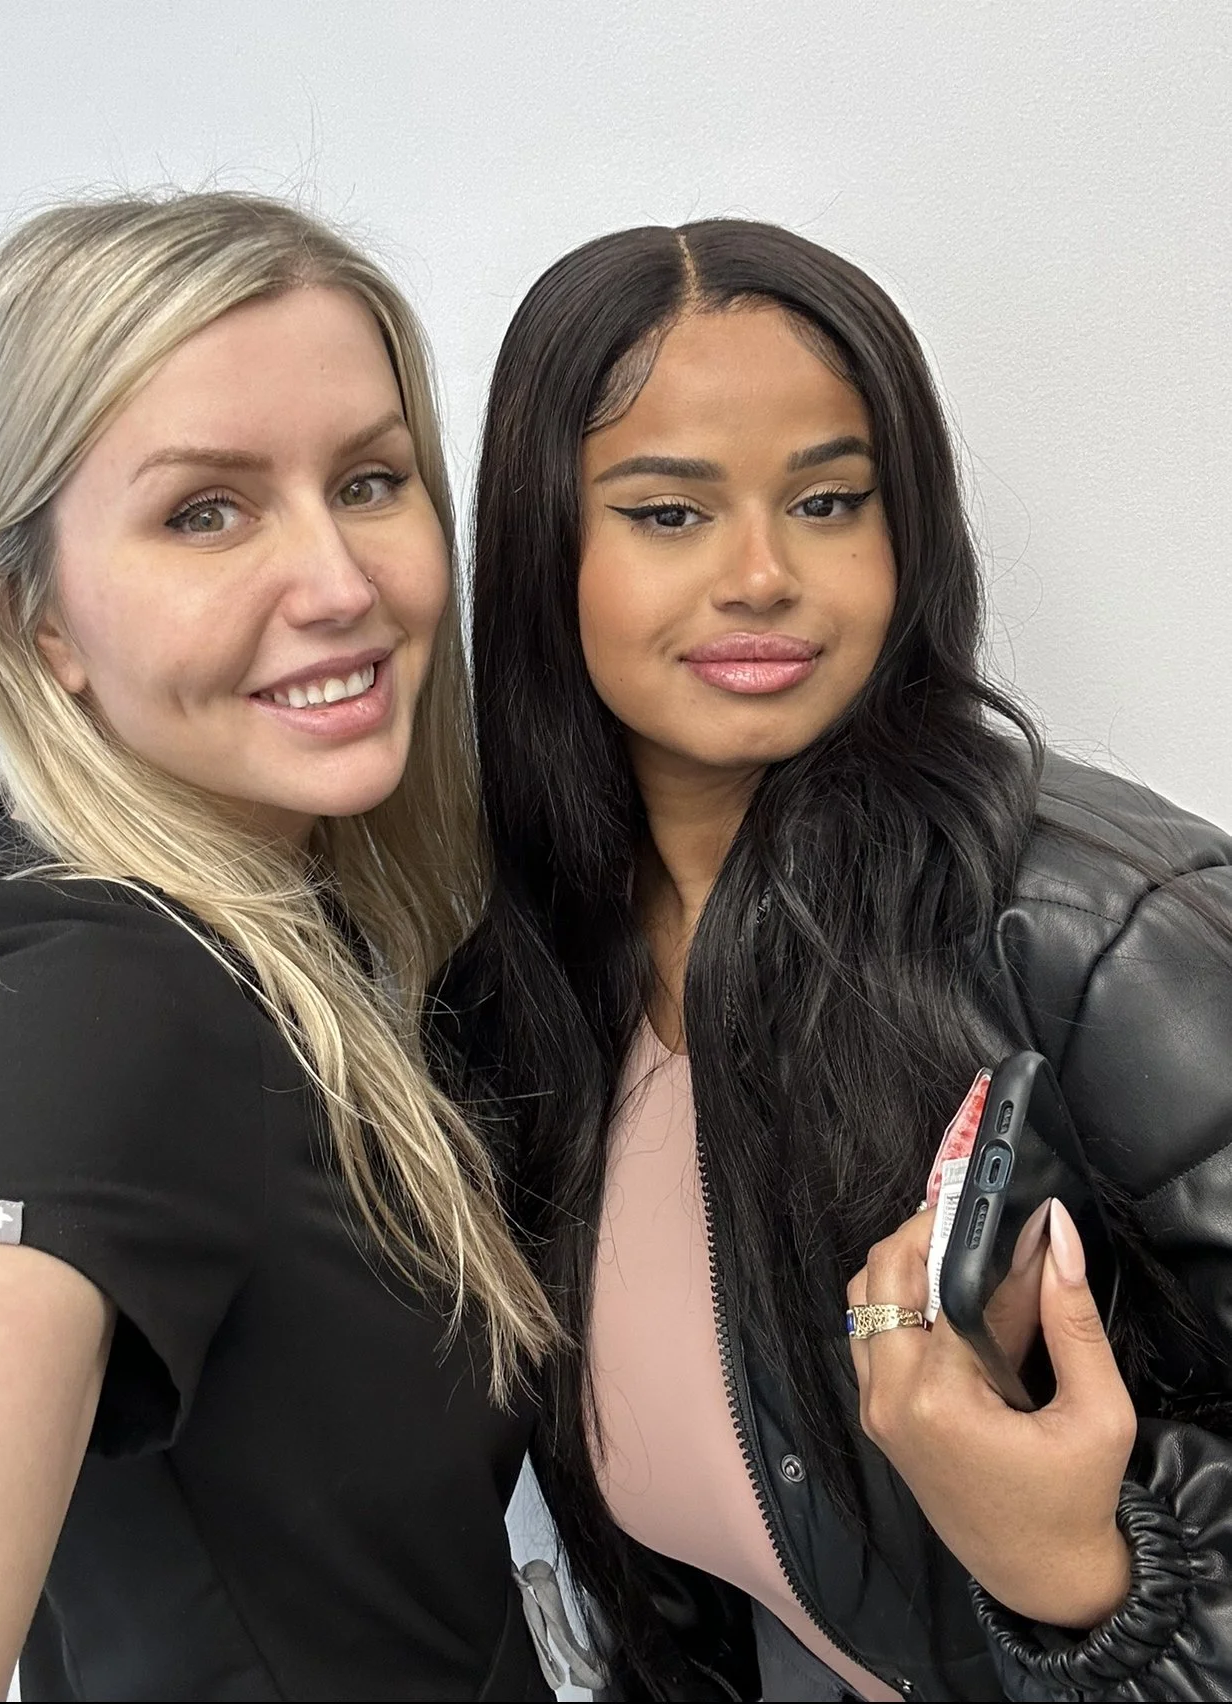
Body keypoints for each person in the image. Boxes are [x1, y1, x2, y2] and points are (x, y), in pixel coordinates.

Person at [430, 220, 1232, 1700]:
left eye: (826, 501)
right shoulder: (509, 1008)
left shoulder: (1092, 933)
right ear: (545, 553)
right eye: (669, 513)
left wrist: (1085, 1578)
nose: (761, 574)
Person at [0, 192, 565, 1703]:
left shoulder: (269, 901)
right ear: (34, 618)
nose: (342, 585)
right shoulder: (86, 995)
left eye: (368, 481)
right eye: (204, 512)